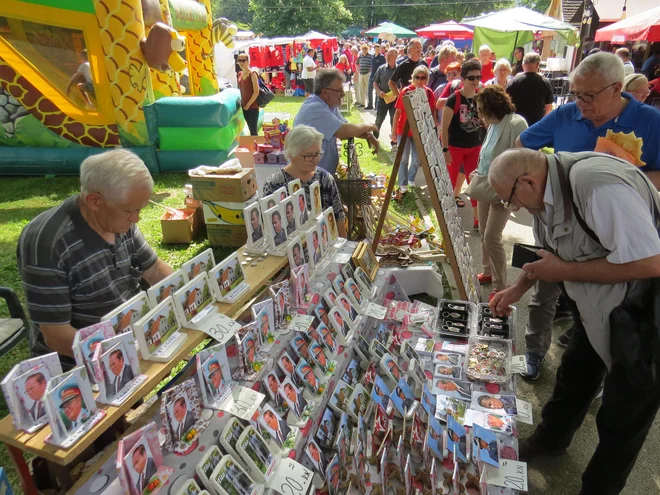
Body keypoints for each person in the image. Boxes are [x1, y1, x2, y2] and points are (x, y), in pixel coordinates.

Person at [488, 148, 660, 495]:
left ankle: (598, 489)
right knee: (574, 375)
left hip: (643, 320)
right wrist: (517, 288)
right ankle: (550, 440)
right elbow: (547, 253)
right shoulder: (547, 185)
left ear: (527, 181)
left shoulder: (597, 187)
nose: (515, 208)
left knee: (623, 417)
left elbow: (652, 262)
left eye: (510, 199)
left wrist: (564, 271)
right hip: (596, 306)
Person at [515, 52, 660, 379]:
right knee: (544, 287)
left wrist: (625, 182)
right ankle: (535, 352)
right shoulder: (566, 115)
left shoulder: (650, 121)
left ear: (616, 89)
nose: (580, 102)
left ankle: (600, 365)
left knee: (605, 303)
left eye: (589, 95)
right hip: (560, 224)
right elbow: (522, 145)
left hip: (613, 236)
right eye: (576, 93)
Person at [17, 149, 173, 371]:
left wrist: (183, 299)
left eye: (140, 209)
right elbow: (57, 336)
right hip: (77, 365)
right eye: (130, 211)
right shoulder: (46, 243)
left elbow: (155, 269)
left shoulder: (117, 218)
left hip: (126, 342)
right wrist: (123, 356)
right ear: (95, 201)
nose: (136, 218)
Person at [469, 86, 527, 296]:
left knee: (492, 237)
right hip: (486, 185)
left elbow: (523, 158)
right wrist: (479, 169)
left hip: (504, 191)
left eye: (481, 109)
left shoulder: (515, 123)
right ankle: (487, 272)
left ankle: (501, 286)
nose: (479, 113)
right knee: (484, 235)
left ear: (493, 106)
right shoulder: (493, 123)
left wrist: (517, 194)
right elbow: (488, 152)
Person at [262, 125, 347, 237]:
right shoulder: (275, 184)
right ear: (292, 155)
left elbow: (338, 218)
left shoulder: (325, 179)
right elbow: (268, 228)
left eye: (317, 154)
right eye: (308, 155)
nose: (315, 160)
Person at [293, 69, 379, 175]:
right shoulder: (315, 109)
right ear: (325, 92)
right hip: (306, 178)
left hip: (318, 176)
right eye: (339, 90)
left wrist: (368, 135)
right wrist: (368, 126)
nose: (343, 94)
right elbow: (343, 132)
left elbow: (347, 128)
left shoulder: (328, 105)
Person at [440, 59, 484, 227]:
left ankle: (477, 220)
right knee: (449, 184)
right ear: (463, 78)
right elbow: (444, 128)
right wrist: (445, 149)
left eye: (478, 77)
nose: (475, 81)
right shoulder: (454, 98)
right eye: (472, 78)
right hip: (455, 147)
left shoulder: (480, 97)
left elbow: (484, 120)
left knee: (474, 185)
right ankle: (447, 221)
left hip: (474, 147)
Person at [391, 65, 437, 199]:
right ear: (413, 78)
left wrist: (432, 130)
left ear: (427, 79)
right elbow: (397, 112)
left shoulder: (429, 93)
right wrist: (394, 131)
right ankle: (403, 183)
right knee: (403, 158)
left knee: (417, 159)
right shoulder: (405, 91)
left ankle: (411, 178)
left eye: (423, 78)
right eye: (417, 77)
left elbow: (432, 113)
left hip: (420, 132)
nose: (420, 80)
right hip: (403, 130)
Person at [506, 52, 553, 126]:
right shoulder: (544, 82)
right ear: (537, 65)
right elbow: (548, 108)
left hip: (515, 124)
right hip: (535, 125)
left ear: (523, 65)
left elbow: (506, 103)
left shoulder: (513, 82)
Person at [373, 48, 399, 149]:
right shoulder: (381, 69)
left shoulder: (399, 69)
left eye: (390, 54)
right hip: (383, 99)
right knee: (379, 120)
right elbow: (375, 82)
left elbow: (403, 83)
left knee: (394, 120)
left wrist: (399, 91)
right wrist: (379, 92)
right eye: (388, 54)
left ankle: (394, 143)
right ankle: (374, 140)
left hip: (395, 100)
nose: (387, 56)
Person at [236, 54, 260, 135]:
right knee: (250, 129)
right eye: (239, 60)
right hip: (244, 106)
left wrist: (248, 105)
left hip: (252, 106)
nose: (241, 63)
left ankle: (256, 147)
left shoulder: (252, 74)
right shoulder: (239, 74)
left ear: (248, 61)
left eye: (243, 60)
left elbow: (256, 92)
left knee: (253, 131)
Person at [367, 44, 386, 110]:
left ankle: (376, 106)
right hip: (372, 75)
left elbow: (383, 66)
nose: (377, 50)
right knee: (369, 90)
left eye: (378, 48)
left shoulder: (382, 57)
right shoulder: (372, 56)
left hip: (378, 76)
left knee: (377, 90)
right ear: (374, 49)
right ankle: (370, 105)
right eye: (376, 48)